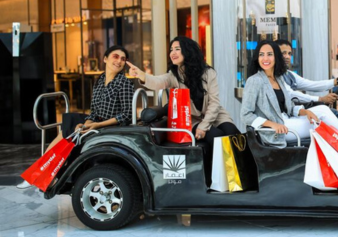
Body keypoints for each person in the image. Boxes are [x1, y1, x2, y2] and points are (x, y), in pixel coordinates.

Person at [17, 45, 134, 189]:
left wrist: (96, 125)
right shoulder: (99, 81)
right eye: (115, 57)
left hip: (111, 125)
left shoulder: (124, 83)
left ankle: (40, 174)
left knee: (67, 129)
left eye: (123, 59)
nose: (119, 61)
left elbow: (127, 114)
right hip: (96, 122)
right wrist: (86, 123)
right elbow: (93, 111)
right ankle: (42, 173)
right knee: (69, 124)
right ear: (105, 59)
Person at [127, 36, 239, 147]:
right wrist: (141, 75)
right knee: (217, 136)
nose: (173, 53)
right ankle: (218, 165)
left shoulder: (208, 73)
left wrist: (204, 125)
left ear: (188, 51)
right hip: (191, 119)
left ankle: (240, 165)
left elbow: (214, 103)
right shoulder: (173, 75)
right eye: (171, 50)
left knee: (233, 134)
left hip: (216, 115)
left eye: (177, 49)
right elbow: (158, 81)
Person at [240, 40, 338, 145]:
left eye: (269, 54)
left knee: (323, 110)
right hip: (275, 131)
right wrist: (273, 125)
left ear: (276, 57)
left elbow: (291, 108)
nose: (265, 58)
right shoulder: (254, 81)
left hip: (288, 120)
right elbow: (245, 115)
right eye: (261, 54)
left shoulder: (279, 79)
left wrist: (306, 112)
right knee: (323, 121)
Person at [276, 39, 338, 120]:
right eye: (283, 53)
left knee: (331, 112)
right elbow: (291, 94)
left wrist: (335, 81)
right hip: (286, 115)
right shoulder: (274, 75)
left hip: (294, 110)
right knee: (333, 113)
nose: (287, 57)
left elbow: (311, 85)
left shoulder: (289, 74)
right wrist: (321, 99)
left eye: (289, 54)